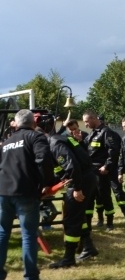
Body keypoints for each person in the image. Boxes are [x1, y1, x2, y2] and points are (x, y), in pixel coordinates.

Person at [0, 109, 57, 280]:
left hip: (3, 192)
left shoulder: (6, 142)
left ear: (15, 124)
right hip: (25, 192)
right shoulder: (35, 137)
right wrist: (46, 183)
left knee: (2, 234)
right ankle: (31, 279)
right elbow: (44, 160)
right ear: (34, 123)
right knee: (28, 235)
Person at [38, 113, 99, 268]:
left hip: (80, 181)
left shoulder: (54, 143)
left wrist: (77, 188)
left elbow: (72, 166)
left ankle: (68, 258)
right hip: (86, 178)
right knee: (79, 216)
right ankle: (88, 247)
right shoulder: (63, 138)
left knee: (70, 219)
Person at [83, 110, 125, 230]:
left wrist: (107, 166)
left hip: (102, 171)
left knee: (105, 195)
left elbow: (113, 151)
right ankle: (92, 222)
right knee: (92, 197)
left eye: (86, 121)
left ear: (93, 119)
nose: (85, 124)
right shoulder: (92, 134)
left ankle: (110, 223)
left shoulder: (106, 132)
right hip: (92, 171)